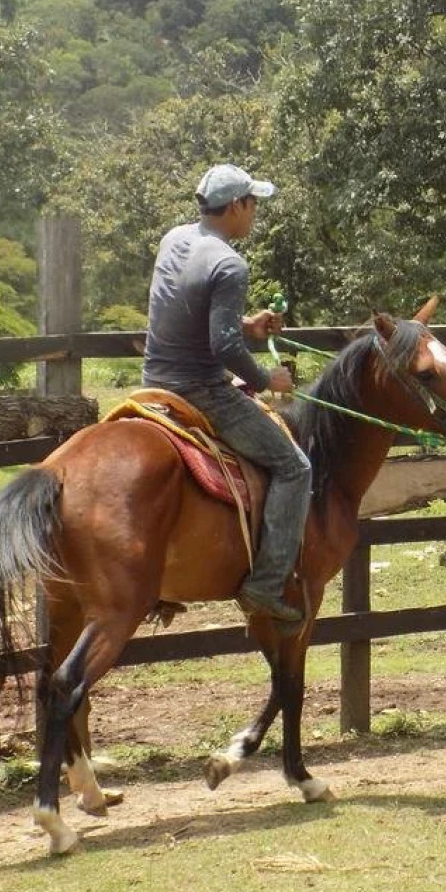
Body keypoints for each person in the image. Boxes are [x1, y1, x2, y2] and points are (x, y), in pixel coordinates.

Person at [143, 163, 311, 624]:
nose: (254, 213)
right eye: (253, 204)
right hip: (201, 392)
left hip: (154, 384)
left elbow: (189, 315)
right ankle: (265, 585)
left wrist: (246, 325)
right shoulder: (230, 264)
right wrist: (266, 381)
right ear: (236, 205)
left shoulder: (174, 239)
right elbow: (223, 348)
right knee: (295, 467)